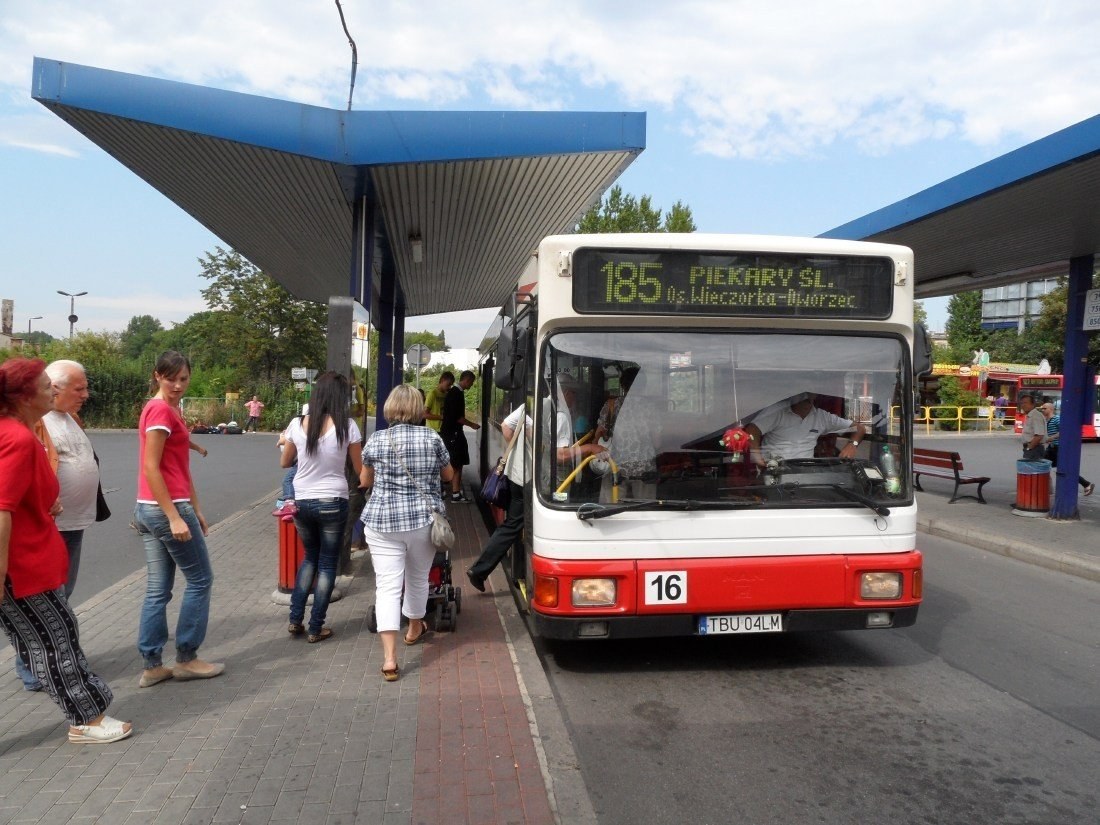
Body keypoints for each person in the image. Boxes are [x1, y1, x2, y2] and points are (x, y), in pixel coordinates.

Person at [0, 357, 132, 744]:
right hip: (21, 568)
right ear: (24, 396)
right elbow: (2, 509)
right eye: (46, 386)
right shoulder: (18, 438)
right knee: (54, 638)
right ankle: (87, 719)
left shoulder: (16, 430)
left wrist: (44, 502)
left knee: (51, 636)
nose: (52, 391)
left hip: (25, 561)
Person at [133, 351, 223, 688]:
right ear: (157, 375)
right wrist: (175, 516)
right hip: (164, 508)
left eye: (184, 379)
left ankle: (152, 664)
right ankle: (187, 657)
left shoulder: (164, 409)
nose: (178, 385)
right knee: (201, 580)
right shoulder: (159, 409)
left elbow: (178, 467)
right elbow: (150, 467)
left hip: (153, 506)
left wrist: (195, 509)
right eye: (171, 378)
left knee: (158, 589)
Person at [359, 385, 454, 682]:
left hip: (382, 522)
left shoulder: (377, 439)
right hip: (421, 522)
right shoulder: (431, 437)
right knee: (417, 578)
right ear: (418, 409)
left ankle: (389, 659)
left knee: (387, 587)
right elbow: (449, 475)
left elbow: (364, 480)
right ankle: (414, 629)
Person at [279, 374, 362, 643]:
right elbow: (360, 471)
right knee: (327, 564)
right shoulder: (347, 426)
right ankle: (316, 627)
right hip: (333, 501)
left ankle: (295, 619)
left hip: (302, 501)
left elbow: (285, 462)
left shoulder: (297, 423)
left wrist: (287, 443)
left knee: (309, 559)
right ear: (341, 397)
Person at [467, 404, 530, 592]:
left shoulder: (529, 405)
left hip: (516, 474)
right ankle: (479, 570)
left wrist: (520, 451)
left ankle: (517, 573)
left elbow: (505, 425)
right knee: (513, 526)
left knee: (514, 525)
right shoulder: (551, 410)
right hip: (526, 479)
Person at [745, 392, 867, 463]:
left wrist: (853, 444)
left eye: (809, 393)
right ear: (793, 394)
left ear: (815, 396)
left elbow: (860, 428)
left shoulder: (821, 416)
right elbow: (752, 429)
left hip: (805, 471)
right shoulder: (777, 411)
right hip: (774, 469)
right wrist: (756, 455)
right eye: (802, 393)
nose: (806, 396)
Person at [439, 370, 480, 502]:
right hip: (453, 433)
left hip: (452, 433)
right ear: (466, 380)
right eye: (471, 382)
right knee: (456, 463)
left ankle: (453, 492)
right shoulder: (456, 393)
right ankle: (453, 494)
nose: (471, 385)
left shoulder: (455, 393)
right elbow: (458, 417)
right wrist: (472, 425)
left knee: (457, 462)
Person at [1041, 402, 1094, 496]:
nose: (1043, 410)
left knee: (1064, 470)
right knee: (1043, 466)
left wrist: (1051, 438)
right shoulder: (1047, 420)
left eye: (1045, 408)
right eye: (1042, 408)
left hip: (1058, 448)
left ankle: (1086, 484)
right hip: (1051, 448)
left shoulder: (1056, 419)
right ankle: (1047, 489)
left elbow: (1064, 431)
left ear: (1051, 409)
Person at [1018, 394, 1046, 460]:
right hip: (1032, 448)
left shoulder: (1036, 416)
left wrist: (1029, 449)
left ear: (1033, 404)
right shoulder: (1030, 415)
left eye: (1025, 403)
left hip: (1034, 449)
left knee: (1031, 469)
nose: (1023, 405)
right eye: (1022, 403)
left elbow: (1039, 435)